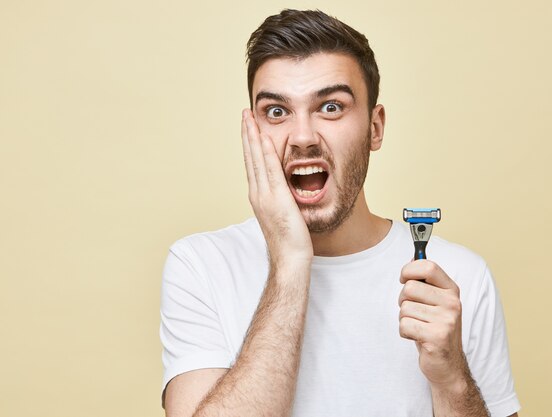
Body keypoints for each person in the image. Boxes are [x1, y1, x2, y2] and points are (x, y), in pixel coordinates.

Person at [160, 9, 521, 417]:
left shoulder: (460, 277)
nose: (302, 138)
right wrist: (291, 262)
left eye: (331, 107)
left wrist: (451, 378)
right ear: (253, 129)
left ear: (375, 127)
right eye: (277, 112)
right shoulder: (200, 266)